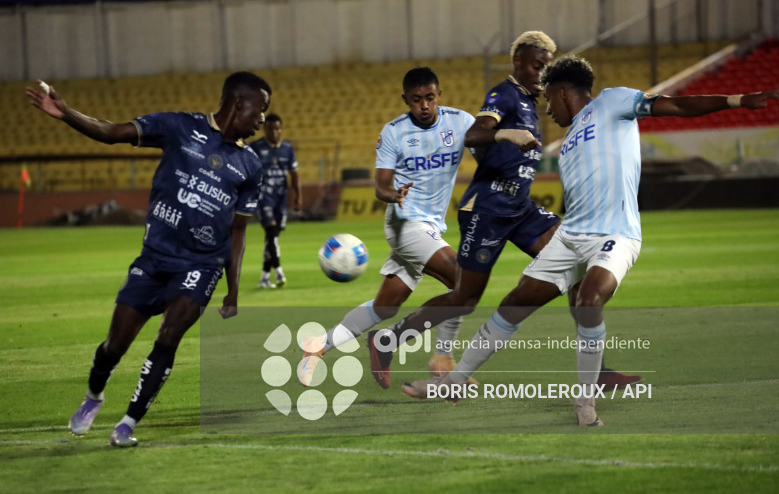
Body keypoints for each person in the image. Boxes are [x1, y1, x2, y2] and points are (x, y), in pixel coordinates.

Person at [401, 54, 779, 426]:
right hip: (571, 236)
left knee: (589, 299)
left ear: (563, 92)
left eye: (549, 99)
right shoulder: (569, 144)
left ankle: (585, 400)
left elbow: (676, 105)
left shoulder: (613, 102)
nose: (547, 111)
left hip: (615, 234)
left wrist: (738, 101)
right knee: (516, 301)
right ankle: (451, 384)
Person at [367, 31, 640, 390]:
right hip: (489, 208)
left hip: (520, 207)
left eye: (546, 68)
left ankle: (598, 370)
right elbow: (474, 135)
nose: (542, 74)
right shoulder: (505, 94)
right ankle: (387, 341)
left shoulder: (533, 103)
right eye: (536, 65)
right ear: (518, 63)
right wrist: (506, 135)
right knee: (464, 298)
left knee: (576, 265)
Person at [25, 71, 271, 446]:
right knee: (115, 345)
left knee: (169, 336)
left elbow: (238, 233)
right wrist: (68, 113)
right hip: (155, 259)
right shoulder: (179, 127)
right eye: (262, 109)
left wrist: (232, 290)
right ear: (239, 102)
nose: (263, 119)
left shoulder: (251, 166)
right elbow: (112, 133)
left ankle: (127, 423)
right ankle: (94, 397)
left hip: (202, 266)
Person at [298, 66, 478, 385]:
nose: (423, 105)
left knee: (385, 306)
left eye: (429, 98)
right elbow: (380, 184)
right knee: (463, 280)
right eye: (416, 99)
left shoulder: (460, 121)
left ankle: (317, 347)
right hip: (405, 223)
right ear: (405, 99)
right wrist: (393, 194)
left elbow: (488, 157)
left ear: (439, 95)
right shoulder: (394, 131)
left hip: (431, 228)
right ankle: (445, 361)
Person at [249, 113, 300, 288]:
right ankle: (278, 271)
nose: (274, 132)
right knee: (271, 232)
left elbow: (294, 174)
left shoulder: (287, 148)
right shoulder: (256, 147)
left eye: (277, 128)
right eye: (271, 128)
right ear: (265, 129)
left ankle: (264, 276)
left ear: (281, 129)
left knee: (272, 239)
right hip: (263, 197)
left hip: (281, 198)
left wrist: (297, 196)